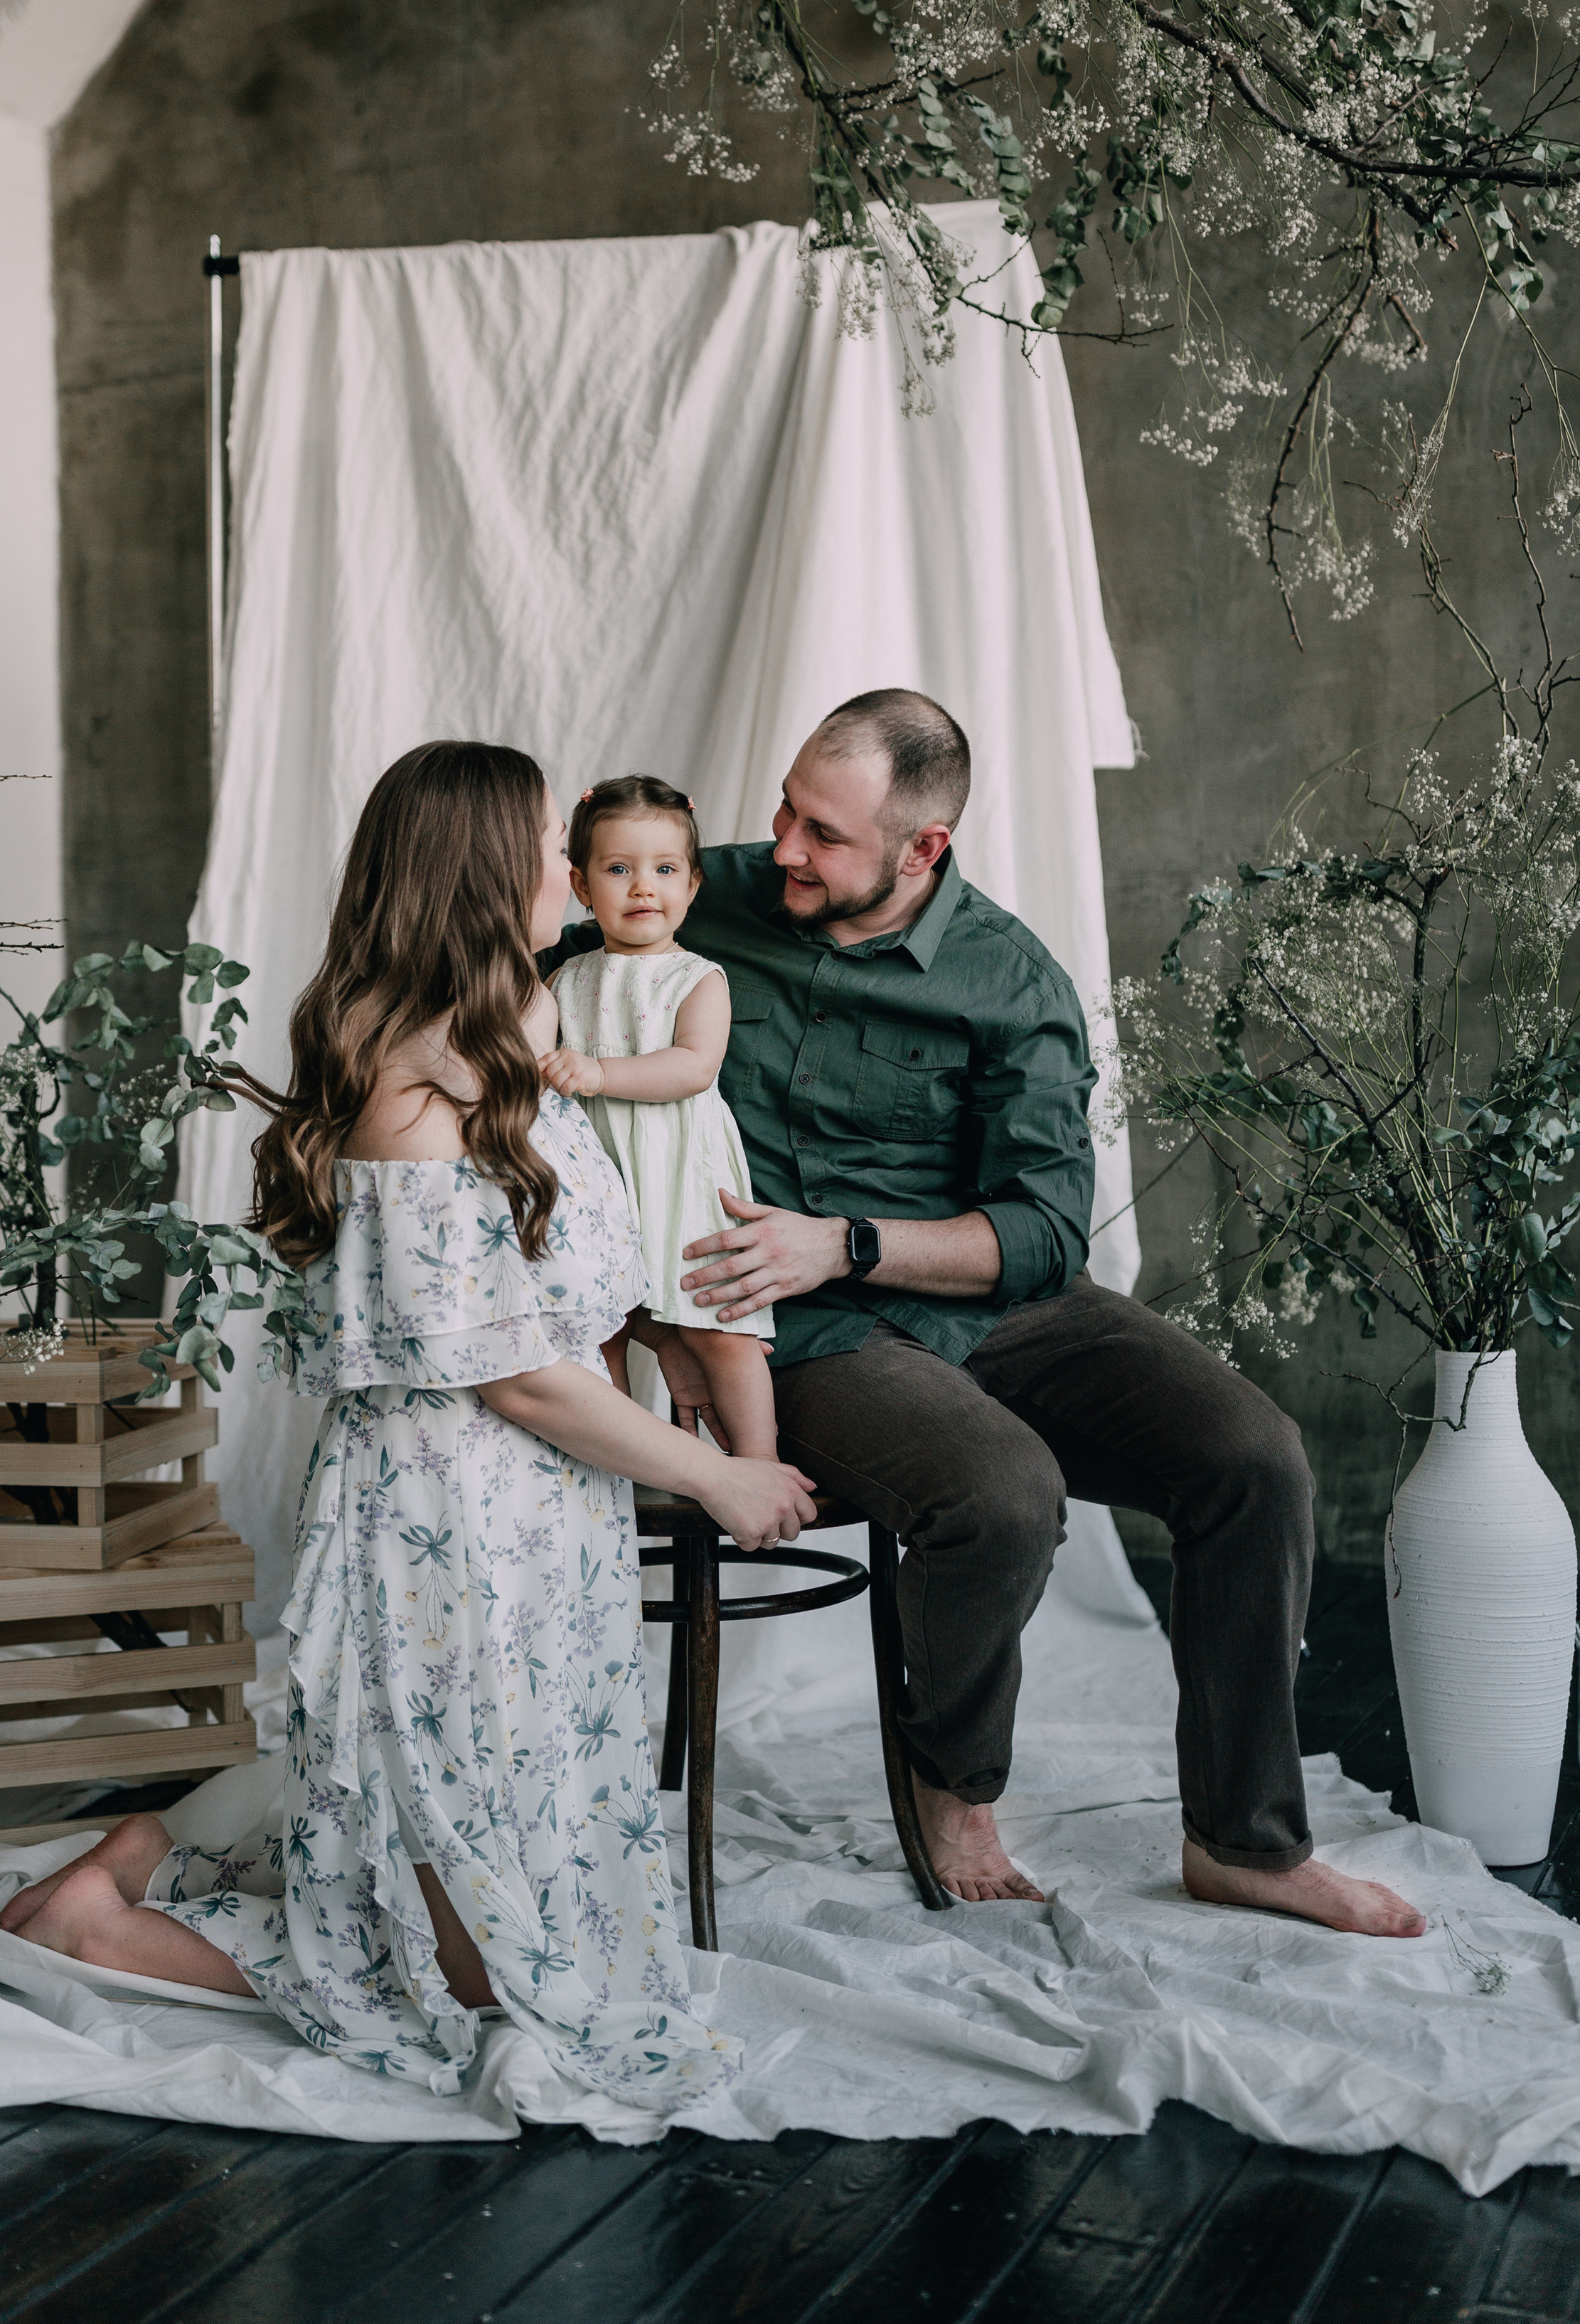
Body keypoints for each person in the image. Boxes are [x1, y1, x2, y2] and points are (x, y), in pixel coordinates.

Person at [0, 741, 818, 2109]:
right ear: (481, 871)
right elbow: (508, 1371)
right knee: (488, 1992)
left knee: (534, 1888)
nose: (571, 874)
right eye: (552, 849)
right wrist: (719, 1477)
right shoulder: (412, 1083)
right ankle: (115, 1919)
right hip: (451, 1523)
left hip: (546, 1511)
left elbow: (571, 1300)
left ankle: (150, 1847)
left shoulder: (514, 1034)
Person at [544, 690, 1426, 1941]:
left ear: (924, 851)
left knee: (1255, 1459)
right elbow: (504, 990)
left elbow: (1046, 1231)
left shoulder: (1008, 977)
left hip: (986, 1300)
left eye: (824, 833)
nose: (784, 845)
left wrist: (848, 1240)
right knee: (1003, 1494)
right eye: (788, 807)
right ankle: (955, 1782)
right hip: (793, 1323)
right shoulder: (695, 896)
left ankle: (1246, 1841)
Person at [543, 773, 779, 1463]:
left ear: (693, 886)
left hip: (676, 1170)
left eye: (664, 869)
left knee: (717, 1327)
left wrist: (598, 1072)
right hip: (598, 1176)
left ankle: (757, 1462)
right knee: (598, 1326)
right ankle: (612, 1461)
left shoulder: (698, 978)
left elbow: (693, 1066)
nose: (643, 887)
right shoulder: (567, 979)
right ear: (582, 888)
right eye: (619, 869)